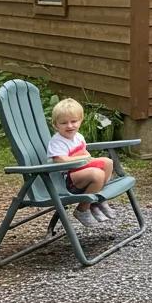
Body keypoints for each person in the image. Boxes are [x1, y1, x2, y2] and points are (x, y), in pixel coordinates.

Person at [46, 98, 116, 229]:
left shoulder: (78, 137)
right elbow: (59, 160)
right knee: (97, 175)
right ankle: (82, 209)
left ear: (80, 121)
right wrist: (84, 158)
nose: (70, 126)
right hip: (65, 181)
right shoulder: (57, 141)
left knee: (108, 162)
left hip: (79, 172)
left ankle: (96, 200)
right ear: (55, 125)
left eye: (74, 121)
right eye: (64, 123)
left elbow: (84, 155)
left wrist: (86, 158)